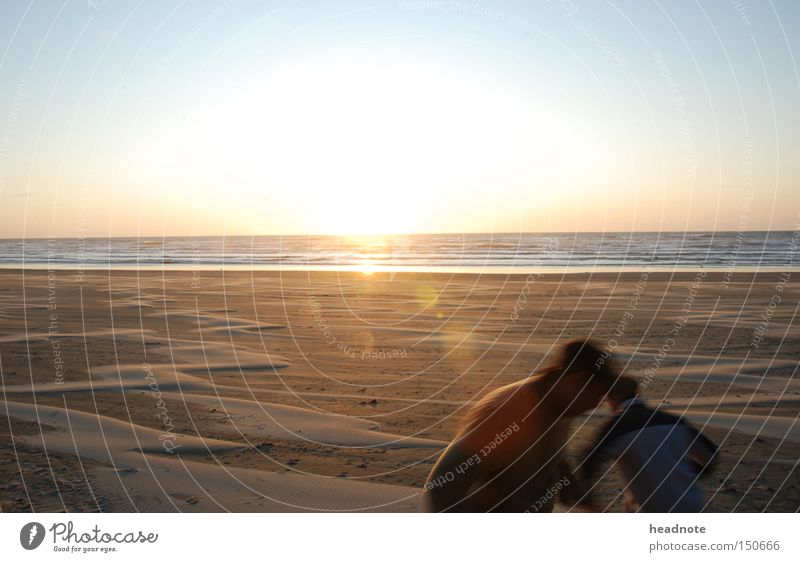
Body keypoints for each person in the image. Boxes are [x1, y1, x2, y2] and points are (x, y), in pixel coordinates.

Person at [422, 339, 616, 512]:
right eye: (596, 395)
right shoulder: (509, 412)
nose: (595, 405)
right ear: (576, 381)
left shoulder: (561, 406)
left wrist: (569, 485)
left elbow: (548, 451)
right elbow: (441, 486)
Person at [578, 376, 718, 512]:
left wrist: (589, 501)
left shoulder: (616, 427)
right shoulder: (675, 421)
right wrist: (687, 475)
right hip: (692, 507)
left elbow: (588, 460)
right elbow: (712, 456)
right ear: (636, 393)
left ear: (612, 399)